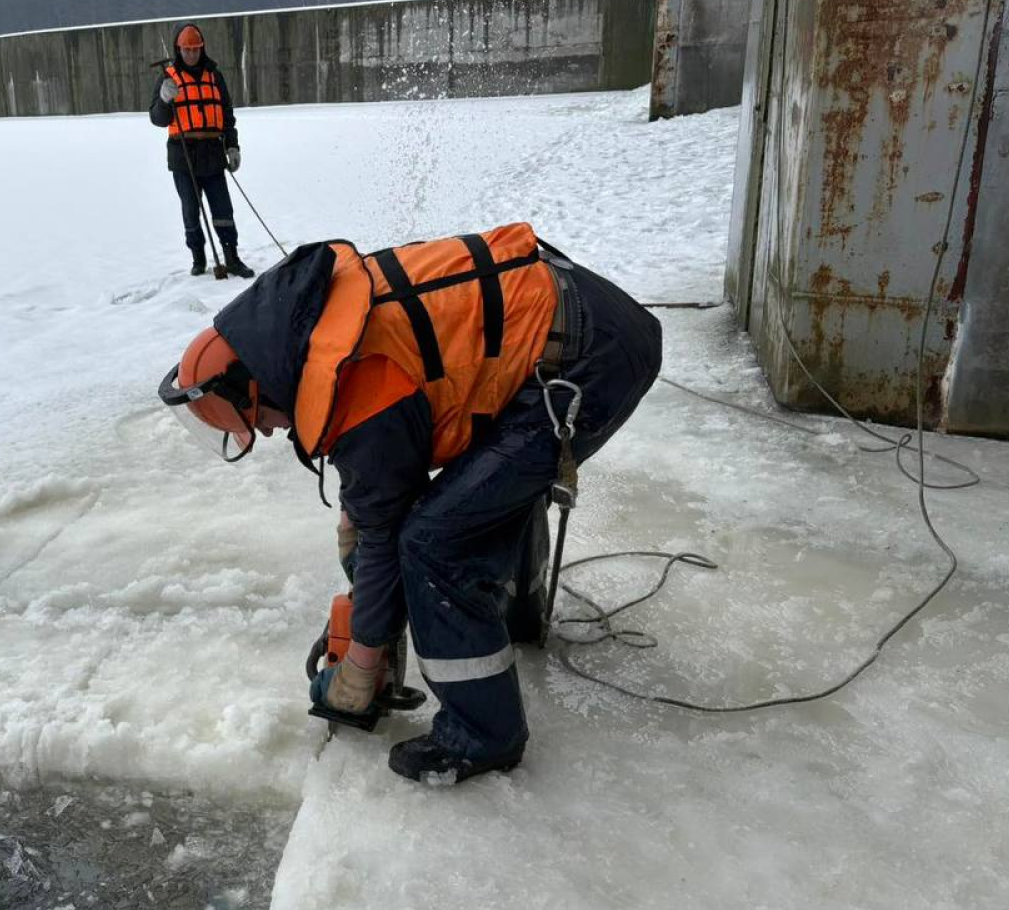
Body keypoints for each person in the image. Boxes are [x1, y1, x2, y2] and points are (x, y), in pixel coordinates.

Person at [158, 223, 661, 785]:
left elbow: (387, 514)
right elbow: (380, 467)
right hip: (582, 320)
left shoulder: (357, 384)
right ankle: (513, 615)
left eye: (260, 421)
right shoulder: (312, 327)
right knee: (477, 499)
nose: (271, 433)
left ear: (259, 386)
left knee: (434, 543)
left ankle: (483, 734)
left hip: (586, 360)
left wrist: (359, 669)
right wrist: (358, 516)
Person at [148, 22, 254, 279]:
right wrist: (164, 100)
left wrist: (232, 145)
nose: (192, 54)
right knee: (190, 209)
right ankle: (198, 258)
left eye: (196, 49)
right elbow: (157, 119)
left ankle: (231, 256)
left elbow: (227, 115)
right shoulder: (167, 78)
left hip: (212, 152)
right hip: (182, 155)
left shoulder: (215, 76)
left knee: (223, 208)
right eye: (187, 50)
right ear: (178, 49)